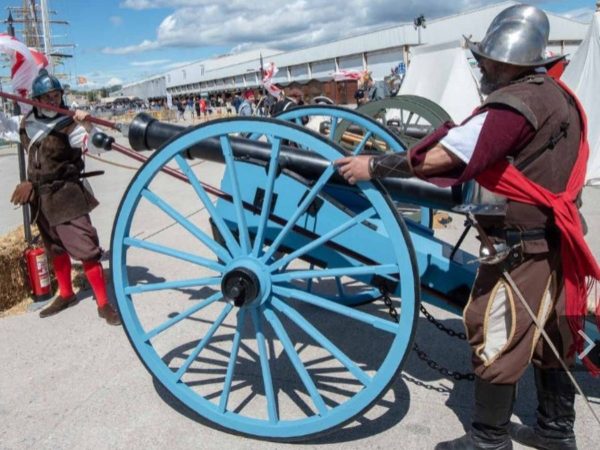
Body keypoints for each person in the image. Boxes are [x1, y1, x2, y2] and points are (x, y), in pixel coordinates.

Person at [335, 5, 599, 449]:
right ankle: (556, 431)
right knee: (550, 333)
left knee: (496, 331)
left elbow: (446, 156)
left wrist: (374, 165)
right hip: (551, 238)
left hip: (521, 245)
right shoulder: (558, 96)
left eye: (487, 60)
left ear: (507, 60)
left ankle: (487, 441)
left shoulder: (517, 102)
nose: (482, 67)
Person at [6, 69, 121, 326]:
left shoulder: (69, 123)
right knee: (54, 248)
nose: (52, 101)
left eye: (56, 95)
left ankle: (103, 303)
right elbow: (5, 127)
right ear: (37, 98)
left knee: (86, 250)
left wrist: (87, 124)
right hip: (40, 197)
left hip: (67, 195)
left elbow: (93, 145)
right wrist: (29, 182)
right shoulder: (27, 122)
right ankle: (66, 294)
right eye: (46, 97)